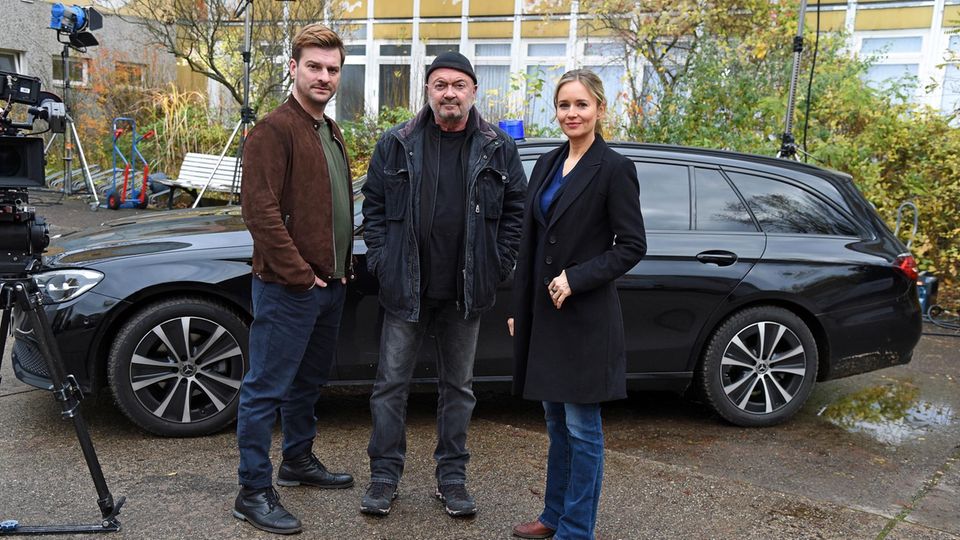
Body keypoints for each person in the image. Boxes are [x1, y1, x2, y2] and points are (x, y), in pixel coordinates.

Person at [360, 51, 526, 518]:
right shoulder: (396, 143)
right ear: (428, 90)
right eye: (440, 84)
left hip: (465, 294)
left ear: (473, 90)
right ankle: (384, 478)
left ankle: (452, 478)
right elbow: (373, 207)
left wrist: (499, 263)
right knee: (389, 386)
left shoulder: (497, 146)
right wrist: (382, 260)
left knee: (459, 389)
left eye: (458, 84)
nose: (449, 92)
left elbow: (516, 210)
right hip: (405, 290)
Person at [508, 69, 646, 540]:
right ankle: (553, 516)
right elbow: (531, 241)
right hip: (546, 315)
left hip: (586, 317)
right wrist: (518, 306)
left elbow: (631, 245)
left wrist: (576, 277)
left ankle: (577, 529)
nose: (571, 113)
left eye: (581, 105)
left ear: (600, 109)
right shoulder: (547, 163)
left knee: (583, 429)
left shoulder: (613, 168)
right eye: (564, 105)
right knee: (555, 422)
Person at [233, 23, 354, 535]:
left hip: (330, 286)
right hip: (290, 289)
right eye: (314, 67)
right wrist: (301, 277)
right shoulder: (274, 129)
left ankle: (298, 460)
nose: (324, 77)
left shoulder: (327, 128)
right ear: (293, 68)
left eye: (332, 69)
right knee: (264, 389)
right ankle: (252, 490)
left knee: (307, 384)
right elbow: (258, 213)